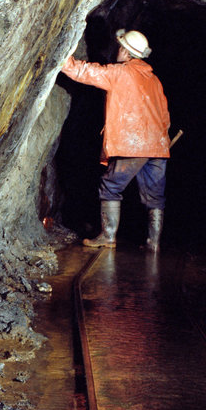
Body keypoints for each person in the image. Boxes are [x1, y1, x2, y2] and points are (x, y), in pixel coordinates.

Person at [61, 28, 170, 251]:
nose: (118, 50)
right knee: (154, 196)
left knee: (111, 186)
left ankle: (107, 237)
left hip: (132, 145)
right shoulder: (154, 80)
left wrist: (60, 58)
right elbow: (165, 117)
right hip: (158, 147)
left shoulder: (121, 73)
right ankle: (154, 243)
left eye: (121, 47)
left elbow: (85, 72)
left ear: (127, 53)